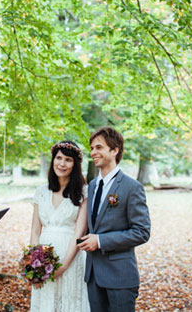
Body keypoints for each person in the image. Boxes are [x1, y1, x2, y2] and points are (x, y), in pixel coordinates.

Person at [78, 127, 151, 312]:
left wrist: (100, 241)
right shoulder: (92, 186)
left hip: (120, 277)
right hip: (93, 276)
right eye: (92, 148)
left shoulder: (132, 187)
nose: (93, 153)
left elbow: (142, 232)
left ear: (114, 150)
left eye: (99, 147)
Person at [29, 140, 90, 312]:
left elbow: (79, 233)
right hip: (44, 258)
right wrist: (36, 263)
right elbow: (35, 230)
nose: (62, 164)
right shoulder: (42, 192)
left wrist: (63, 266)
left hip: (70, 257)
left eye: (68, 160)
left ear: (75, 164)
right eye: (59, 158)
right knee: (46, 303)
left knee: (70, 303)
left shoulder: (83, 192)